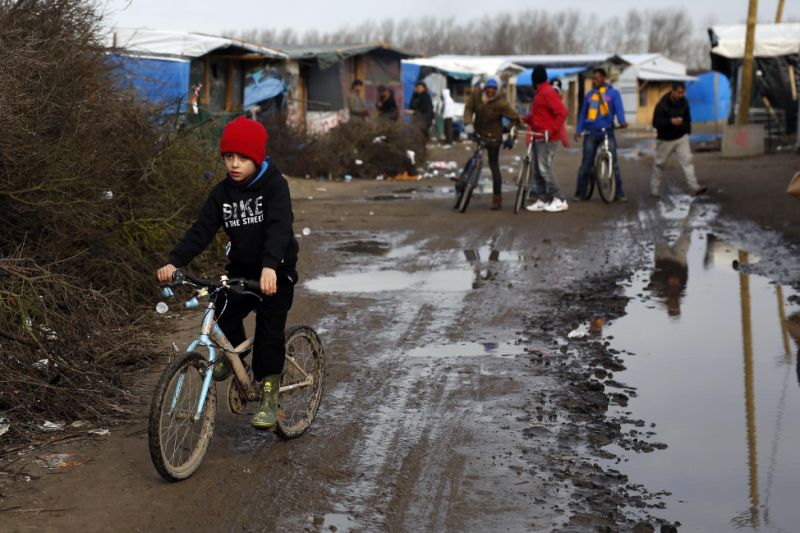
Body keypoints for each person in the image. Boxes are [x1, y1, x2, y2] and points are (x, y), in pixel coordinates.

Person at [156, 116, 298, 431]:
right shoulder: (223, 193)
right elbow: (201, 230)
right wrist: (174, 261)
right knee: (223, 312)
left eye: (243, 158)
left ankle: (270, 396)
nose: (234, 164)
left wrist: (271, 266)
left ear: (257, 158)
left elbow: (279, 228)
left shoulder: (274, 185)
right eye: (229, 157)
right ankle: (235, 360)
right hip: (241, 271)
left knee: (268, 335)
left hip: (276, 271)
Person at [464, 77, 521, 210]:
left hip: (494, 136)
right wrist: (468, 124)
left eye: (493, 90)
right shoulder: (476, 95)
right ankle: (464, 183)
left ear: (496, 91)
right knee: (474, 159)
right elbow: (469, 108)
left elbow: (515, 119)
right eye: (488, 90)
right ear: (484, 89)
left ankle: (497, 198)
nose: (490, 92)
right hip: (478, 132)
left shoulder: (501, 103)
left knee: (494, 166)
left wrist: (511, 136)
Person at [573, 67, 628, 202]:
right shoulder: (589, 95)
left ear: (604, 78)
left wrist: (622, 121)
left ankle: (619, 193)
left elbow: (619, 109)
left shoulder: (613, 94)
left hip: (607, 132)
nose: (594, 81)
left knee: (613, 162)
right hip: (591, 133)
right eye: (593, 78)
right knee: (586, 163)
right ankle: (580, 192)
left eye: (596, 78)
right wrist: (578, 130)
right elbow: (582, 114)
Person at [523, 66, 570, 213]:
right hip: (538, 137)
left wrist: (551, 130)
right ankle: (542, 199)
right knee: (537, 170)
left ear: (533, 80)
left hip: (548, 138)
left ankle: (560, 199)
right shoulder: (540, 94)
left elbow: (562, 112)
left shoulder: (547, 92)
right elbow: (539, 118)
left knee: (544, 168)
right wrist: (524, 119)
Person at [650, 82, 708, 198]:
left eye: (683, 92)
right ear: (673, 91)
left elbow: (687, 118)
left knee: (688, 162)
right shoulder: (662, 105)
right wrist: (670, 122)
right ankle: (654, 189)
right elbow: (656, 123)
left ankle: (694, 186)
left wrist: (686, 131)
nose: (681, 95)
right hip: (666, 139)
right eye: (679, 93)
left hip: (681, 137)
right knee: (659, 164)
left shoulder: (684, 102)